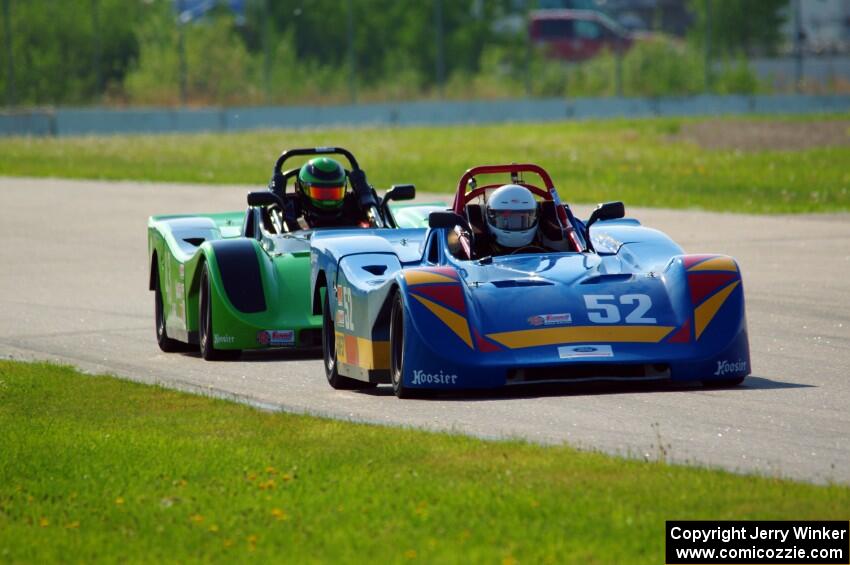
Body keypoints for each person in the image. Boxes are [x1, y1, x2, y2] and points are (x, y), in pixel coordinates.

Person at [483, 184, 576, 256]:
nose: (515, 225)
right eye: (506, 220)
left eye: (523, 219)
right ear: (490, 216)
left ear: (536, 216)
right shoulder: (479, 255)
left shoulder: (550, 254)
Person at [293, 157, 369, 228]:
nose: (327, 199)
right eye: (321, 193)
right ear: (303, 190)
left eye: (334, 193)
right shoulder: (292, 213)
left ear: (344, 189)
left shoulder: (354, 208)